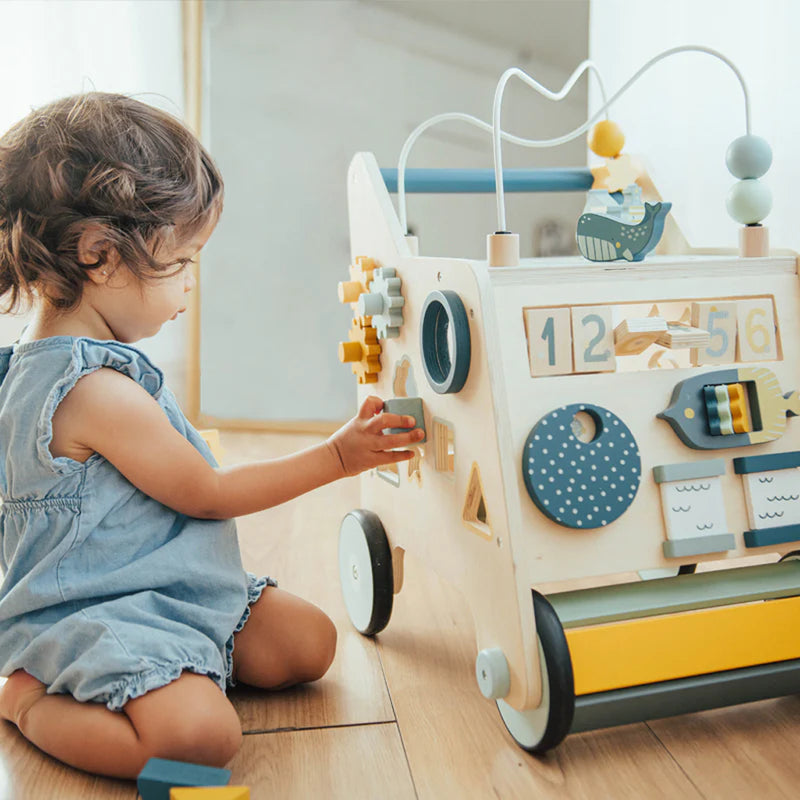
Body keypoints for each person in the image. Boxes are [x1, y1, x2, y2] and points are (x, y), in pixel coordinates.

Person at [0, 92, 422, 780]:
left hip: (173, 588)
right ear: (100, 255)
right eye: (184, 260)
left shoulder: (63, 362)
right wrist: (337, 456)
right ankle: (26, 701)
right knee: (201, 742)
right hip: (101, 614)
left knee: (309, 645)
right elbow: (207, 493)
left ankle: (181, 668)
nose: (193, 284)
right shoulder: (89, 391)